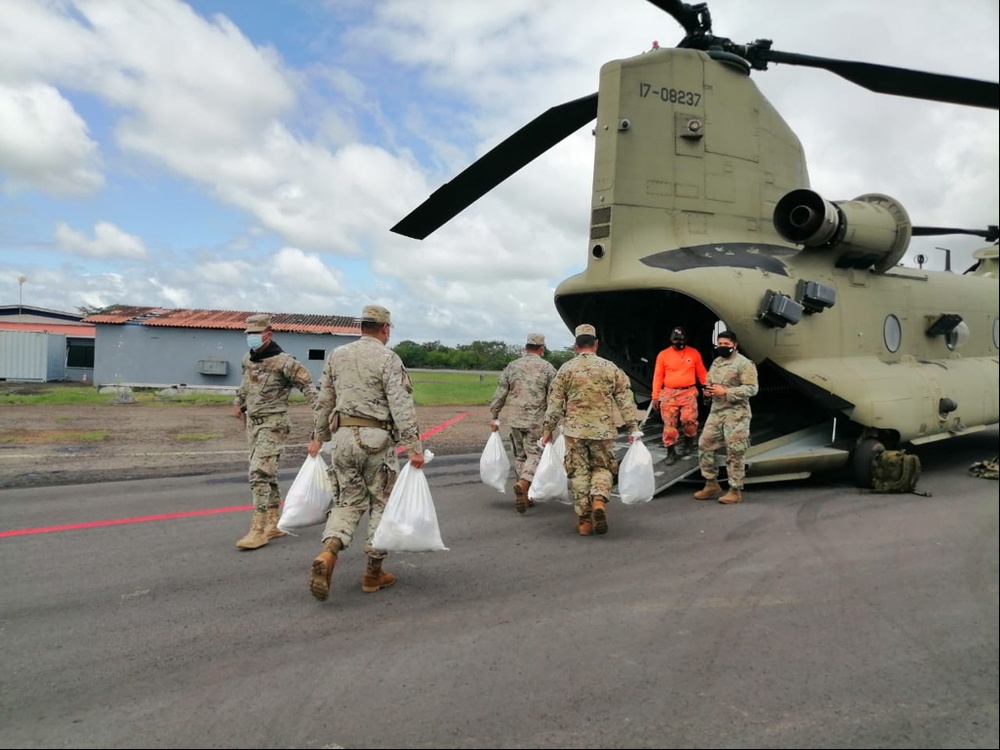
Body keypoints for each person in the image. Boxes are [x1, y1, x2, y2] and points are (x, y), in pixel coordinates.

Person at [306, 304, 424, 602]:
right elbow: (401, 405)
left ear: (362, 327)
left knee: (347, 501)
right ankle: (373, 571)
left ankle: (329, 550)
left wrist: (318, 437)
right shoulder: (388, 358)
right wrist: (413, 447)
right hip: (375, 438)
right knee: (382, 502)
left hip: (342, 438)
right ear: (385, 329)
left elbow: (324, 400)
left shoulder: (337, 355)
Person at [541, 323, 639, 536]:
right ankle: (599, 500)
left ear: (576, 346)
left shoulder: (566, 369)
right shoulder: (611, 368)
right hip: (602, 431)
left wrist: (548, 429)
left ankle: (584, 520)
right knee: (603, 468)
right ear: (596, 344)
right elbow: (625, 400)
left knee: (578, 472)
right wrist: (633, 428)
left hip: (575, 432)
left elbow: (555, 403)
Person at [232, 313, 319, 550]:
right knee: (266, 473)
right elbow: (246, 383)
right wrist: (238, 401)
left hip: (274, 423)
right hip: (254, 423)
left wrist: (320, 419)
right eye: (248, 334)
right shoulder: (248, 359)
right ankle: (273, 522)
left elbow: (308, 388)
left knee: (258, 473)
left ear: (268, 335)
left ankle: (258, 530)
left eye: (255, 334)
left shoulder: (285, 362)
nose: (251, 338)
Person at [489, 332, 557, 514]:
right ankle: (524, 483)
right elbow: (555, 397)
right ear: (542, 349)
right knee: (535, 455)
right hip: (536, 421)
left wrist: (495, 416)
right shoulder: (547, 368)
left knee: (520, 456)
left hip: (516, 420)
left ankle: (525, 494)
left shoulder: (512, 367)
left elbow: (500, 394)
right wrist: (555, 421)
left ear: (526, 347)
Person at [694, 330, 759, 504]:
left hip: (736, 413)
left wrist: (726, 391)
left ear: (734, 345)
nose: (722, 347)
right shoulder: (717, 362)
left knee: (735, 451)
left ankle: (735, 490)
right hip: (717, 411)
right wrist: (707, 391)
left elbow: (752, 389)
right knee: (705, 444)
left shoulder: (744, 364)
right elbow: (709, 381)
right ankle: (711, 483)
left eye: (726, 345)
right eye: (720, 344)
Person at [651, 326, 708, 464]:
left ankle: (689, 442)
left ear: (686, 340)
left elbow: (702, 373)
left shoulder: (694, 353)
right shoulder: (663, 355)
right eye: (676, 339)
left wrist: (707, 388)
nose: (678, 342)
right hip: (669, 393)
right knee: (669, 424)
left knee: (689, 421)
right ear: (671, 339)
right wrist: (655, 395)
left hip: (688, 391)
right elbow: (658, 376)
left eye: (681, 339)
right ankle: (670, 451)